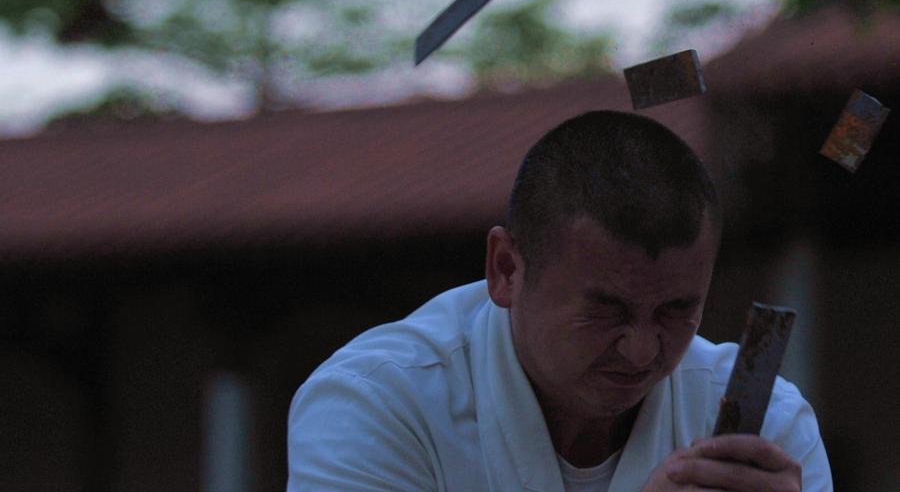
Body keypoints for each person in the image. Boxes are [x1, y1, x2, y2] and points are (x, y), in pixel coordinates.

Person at [287, 110, 832, 491]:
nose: (643, 351)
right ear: (505, 269)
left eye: (676, 310)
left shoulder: (768, 430)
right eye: (606, 310)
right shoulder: (378, 404)